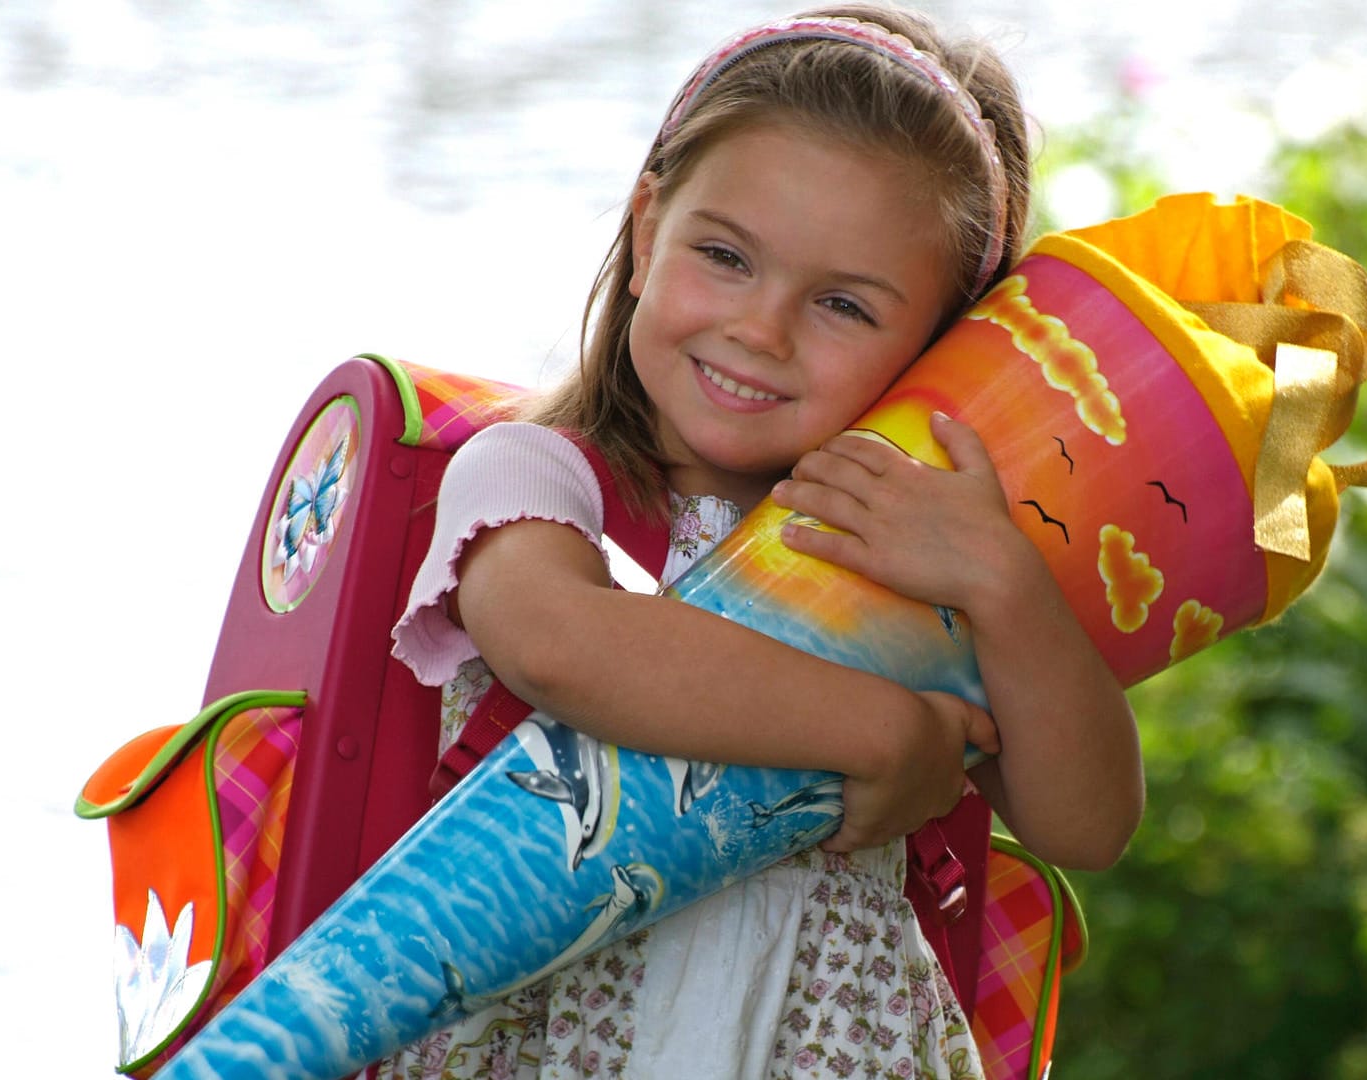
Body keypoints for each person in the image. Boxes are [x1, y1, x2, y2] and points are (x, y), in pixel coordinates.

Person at [383, 5, 1142, 1077]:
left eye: (842, 303)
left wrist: (1005, 585)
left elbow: (1089, 824)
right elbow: (561, 644)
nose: (761, 328)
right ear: (648, 233)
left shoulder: (913, 551)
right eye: (726, 255)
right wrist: (885, 732)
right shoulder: (542, 477)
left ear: (940, 346)